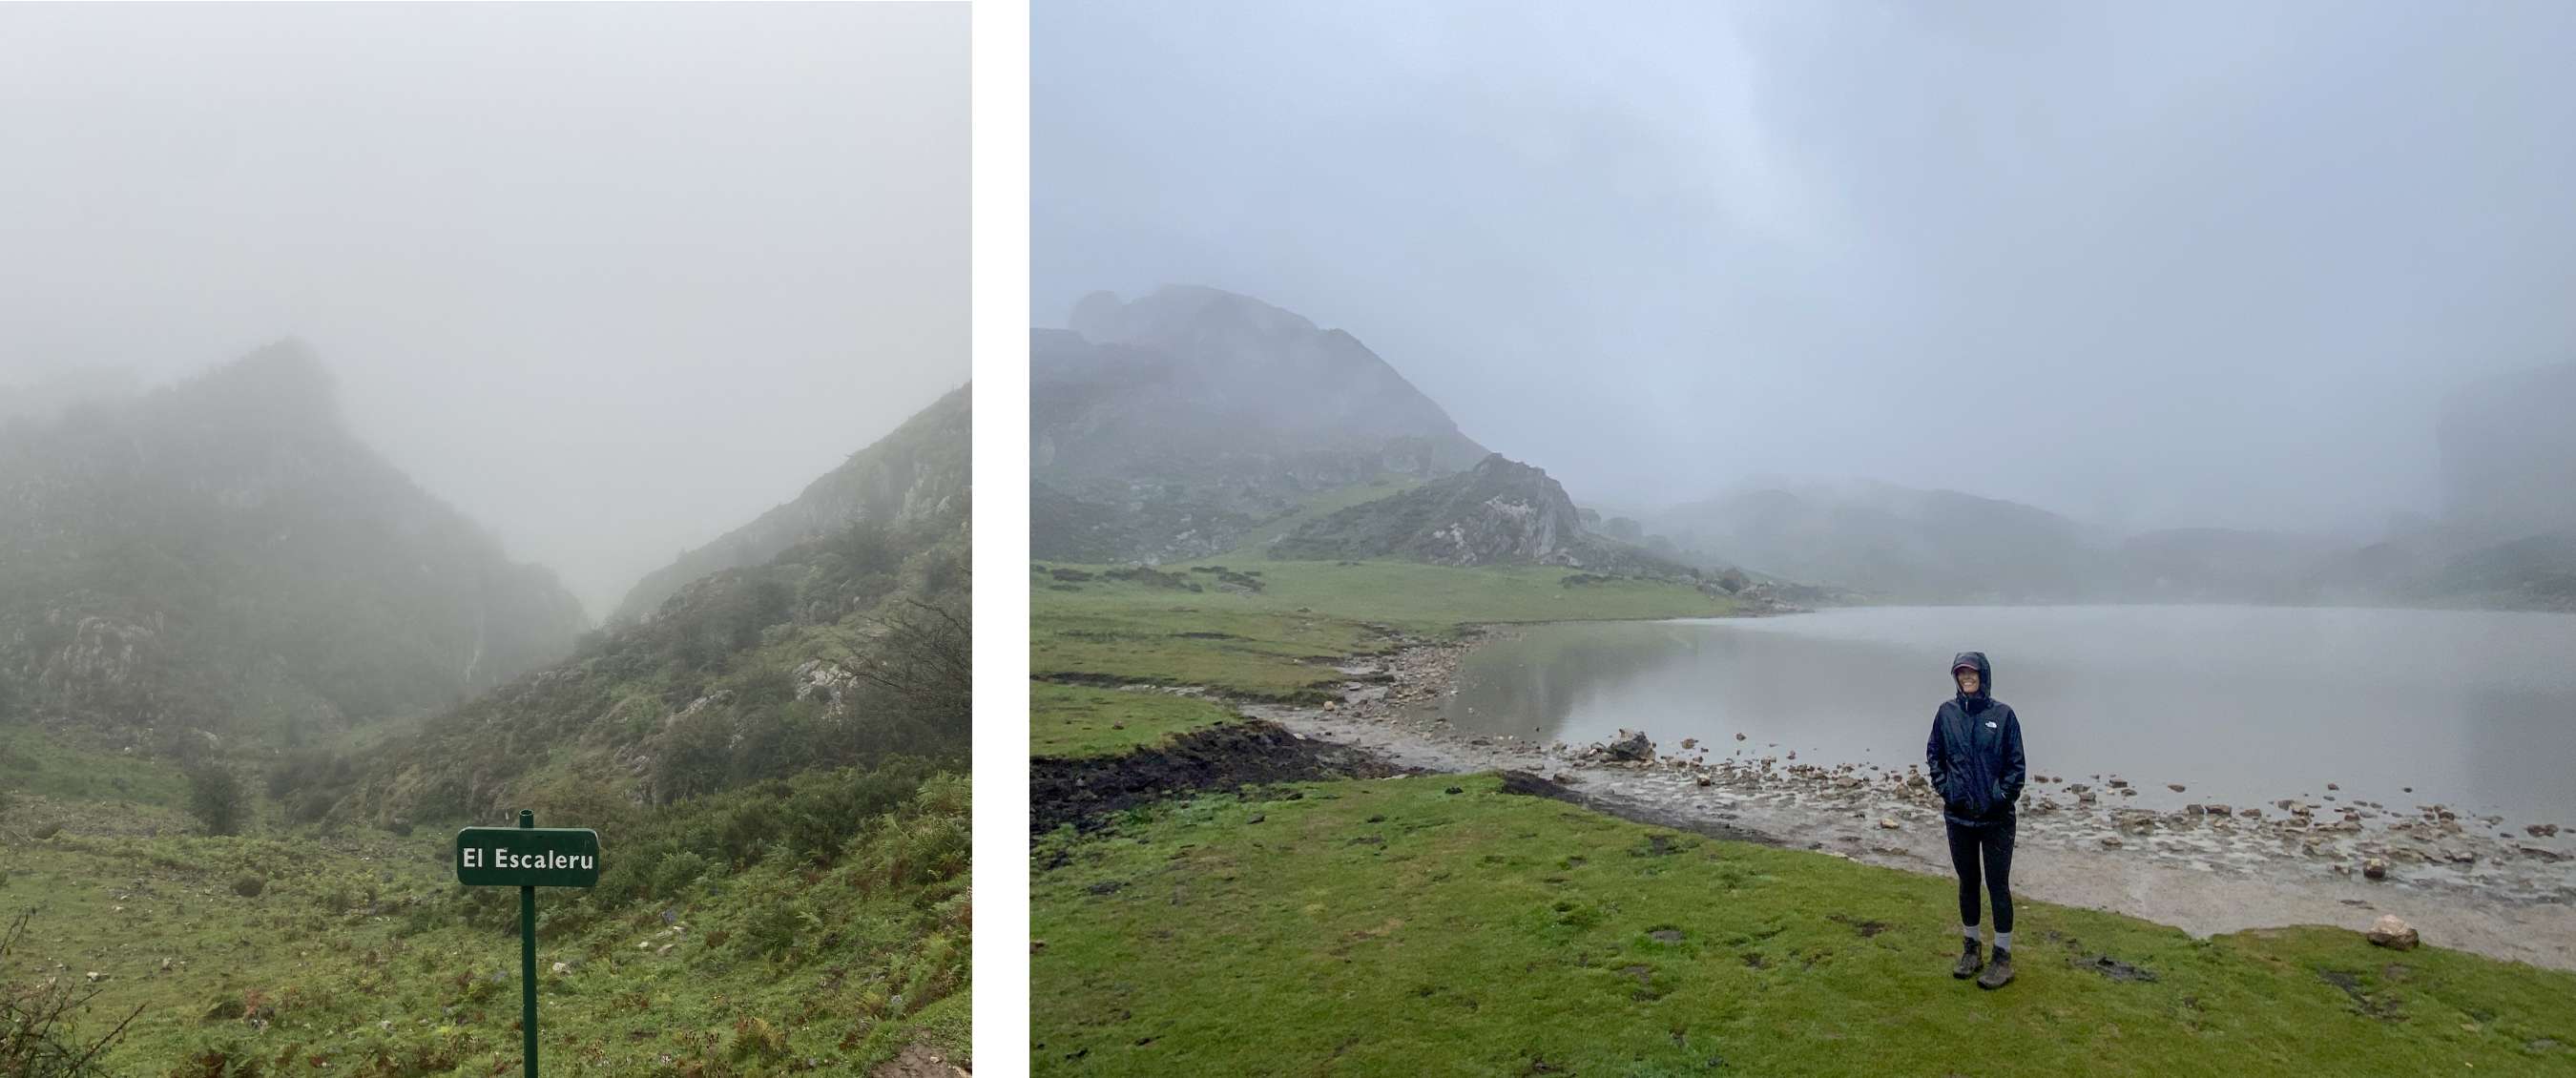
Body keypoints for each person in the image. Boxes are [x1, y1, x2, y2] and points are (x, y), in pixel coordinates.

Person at [1924, 651, 2025, 989]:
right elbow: (1934, 755)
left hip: (1996, 820)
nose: (1967, 678)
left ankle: (2002, 957)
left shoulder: (2003, 715)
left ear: (1983, 676)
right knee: (1968, 882)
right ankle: (1971, 950)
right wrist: (1947, 790)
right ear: (1956, 677)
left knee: (1998, 886)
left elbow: (2016, 767)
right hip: (1958, 817)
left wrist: (1998, 798)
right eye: (1961, 673)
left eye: (1972, 673)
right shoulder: (1946, 714)